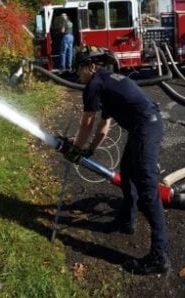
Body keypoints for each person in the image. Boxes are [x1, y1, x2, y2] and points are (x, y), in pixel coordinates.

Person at [71, 46, 170, 274]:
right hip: (144, 127)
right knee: (126, 173)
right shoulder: (107, 82)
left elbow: (87, 123)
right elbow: (103, 126)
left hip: (146, 126)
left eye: (79, 70)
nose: (77, 75)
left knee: (148, 189)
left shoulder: (94, 84)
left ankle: (159, 256)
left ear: (91, 66)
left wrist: (77, 149)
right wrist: (90, 150)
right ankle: (127, 220)